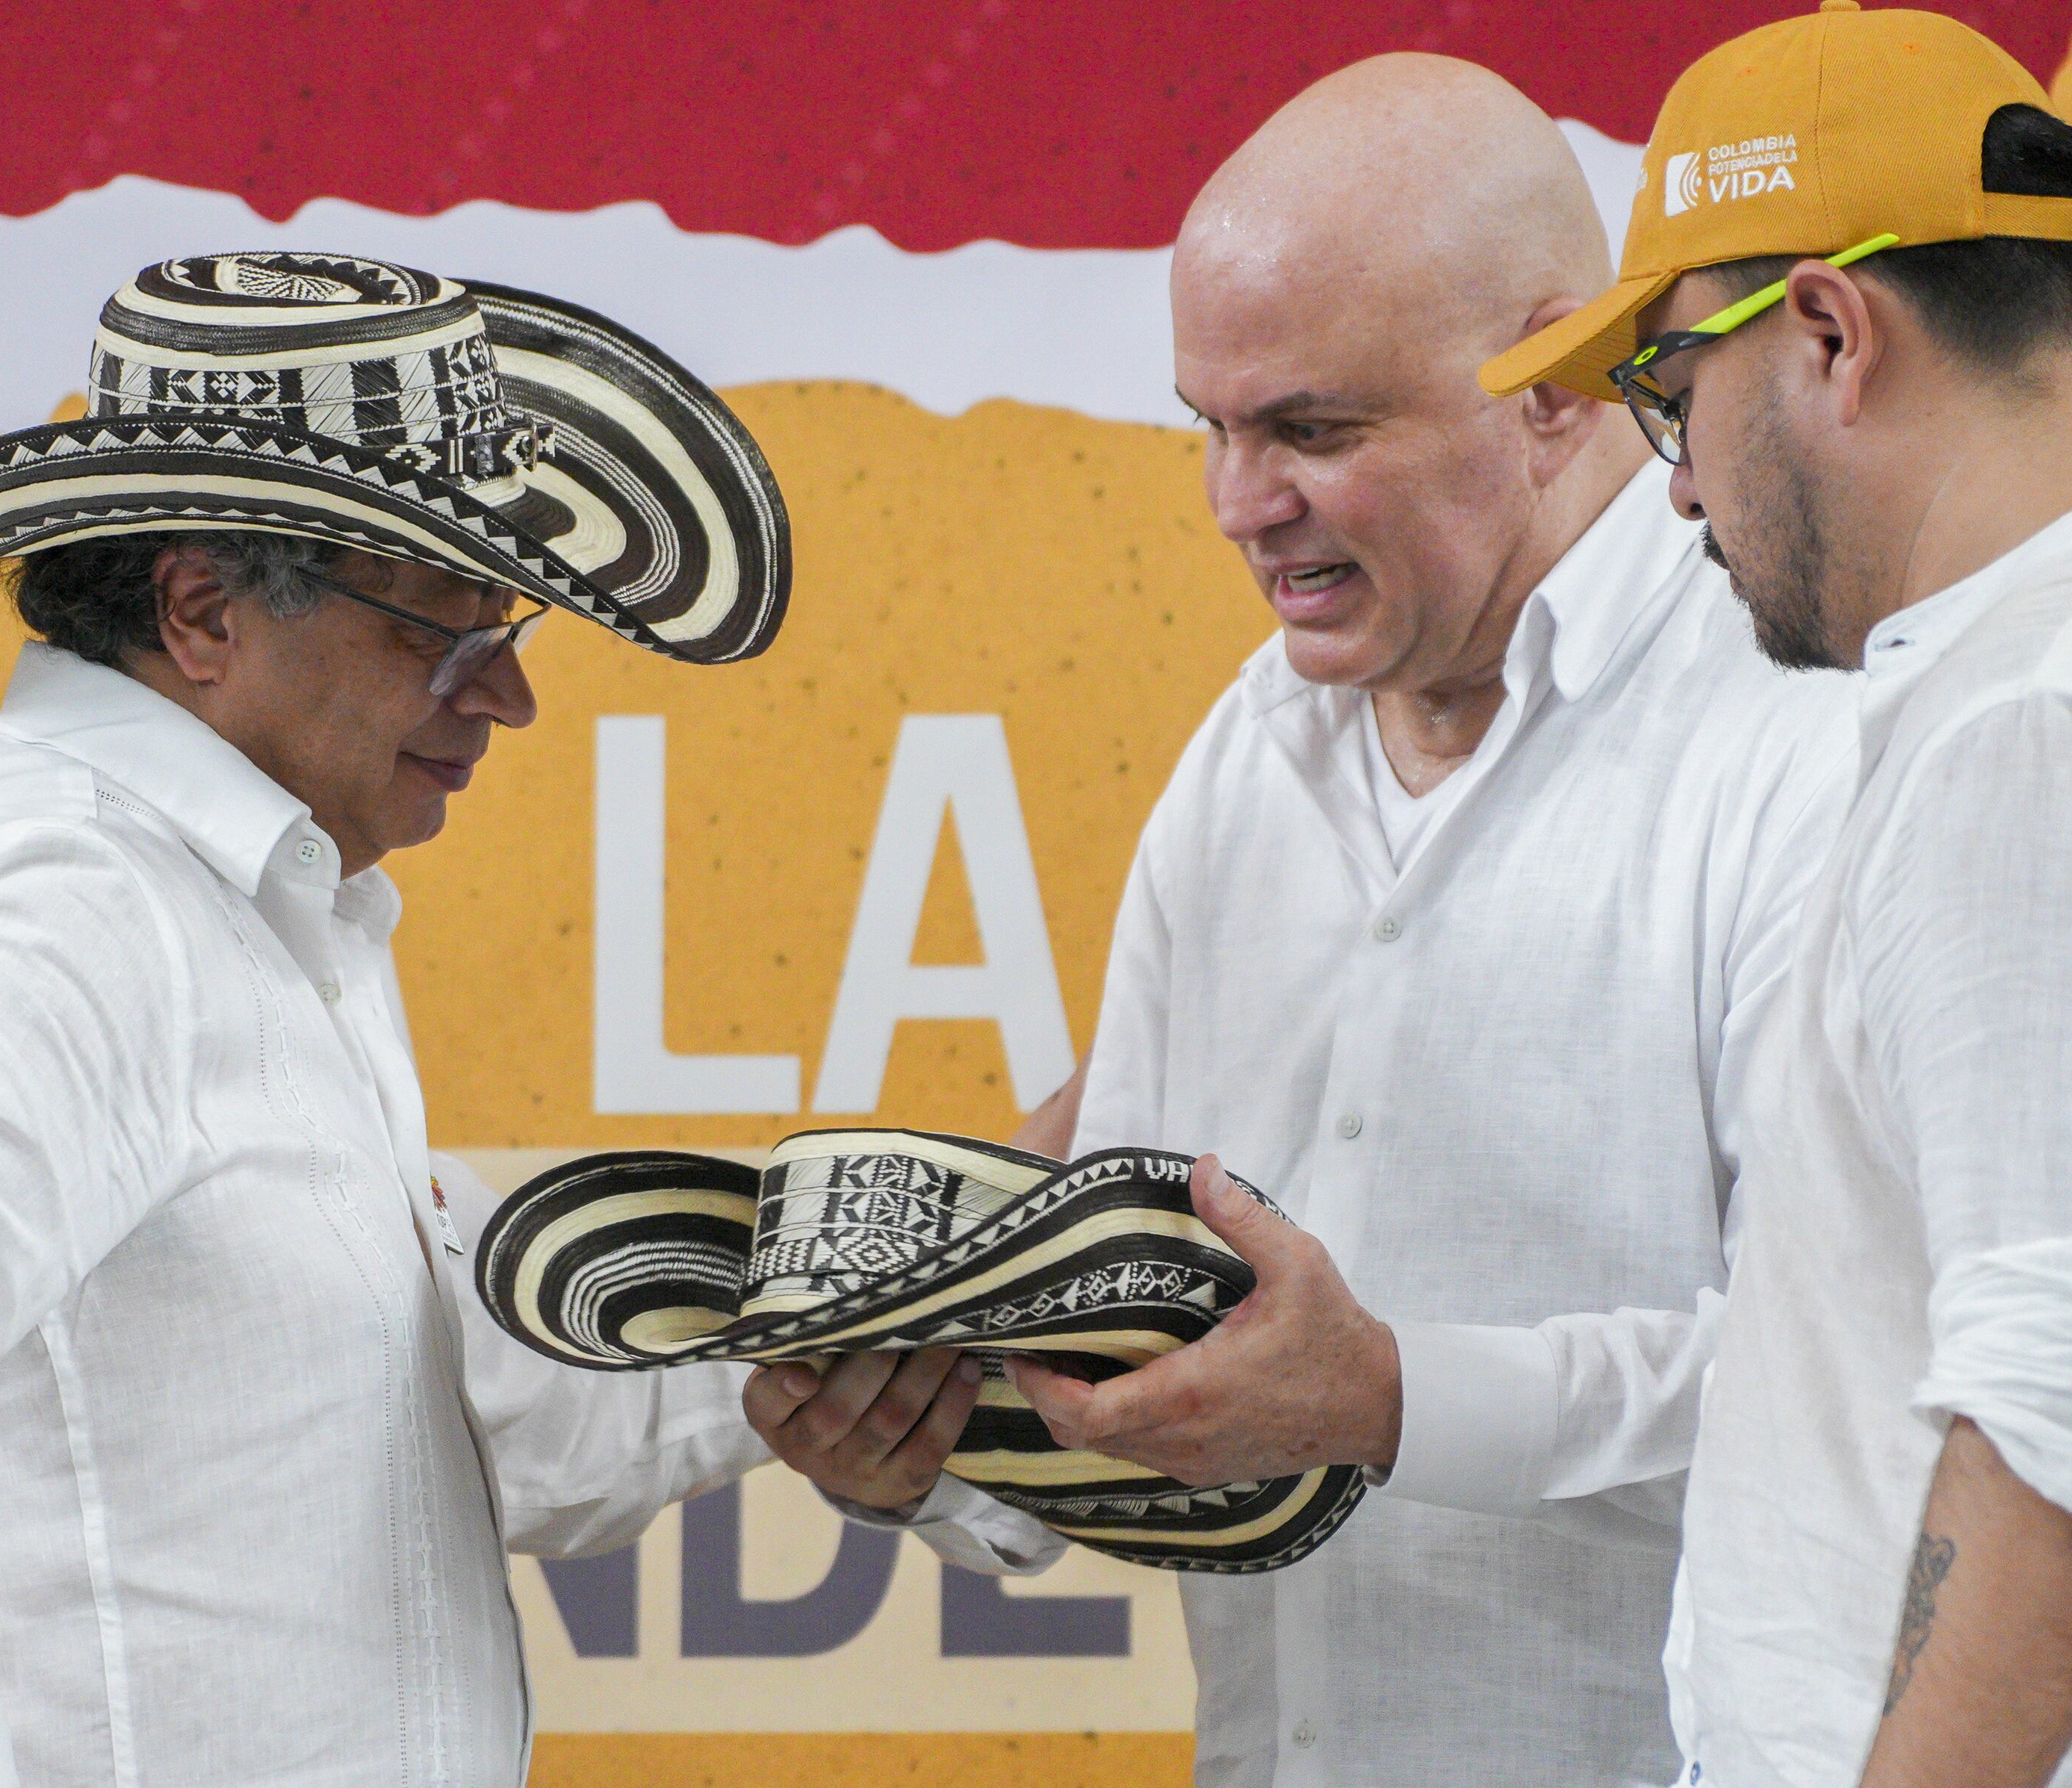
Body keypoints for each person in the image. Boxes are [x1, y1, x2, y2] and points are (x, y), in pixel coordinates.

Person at [751, 54, 1856, 1787]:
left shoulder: (1797, 738)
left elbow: (1865, 1379)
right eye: (1209, 423)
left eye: (1311, 431)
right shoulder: (1241, 759)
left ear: (1557, 386)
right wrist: (918, 1451)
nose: (1232, 503)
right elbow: (1123, 1332)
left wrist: (1392, 1402)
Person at [0, 252, 792, 1788]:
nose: (505, 696)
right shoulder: (80, 895)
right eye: (441, 627)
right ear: (199, 615)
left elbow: (401, 1434)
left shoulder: (235, 911)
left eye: (506, 626)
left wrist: (795, 1362)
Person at [1485, 5, 2072, 1782]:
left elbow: (2066, 1418)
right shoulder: (2022, 685)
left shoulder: (2029, 720)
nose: (1671, 484)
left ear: (1829, 331)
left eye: (1668, 397)